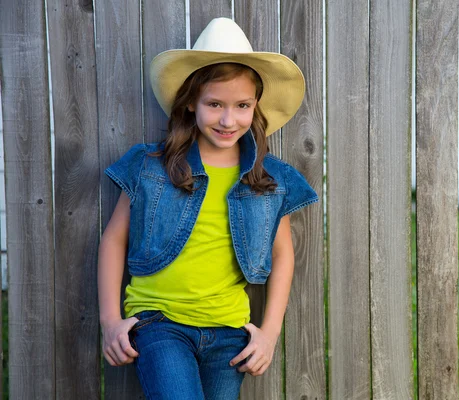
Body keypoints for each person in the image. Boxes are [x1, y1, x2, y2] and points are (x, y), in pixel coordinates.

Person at [98, 17, 318, 400]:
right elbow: (115, 239)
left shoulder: (268, 178)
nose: (228, 119)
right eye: (214, 104)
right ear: (190, 103)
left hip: (230, 334)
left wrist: (269, 334)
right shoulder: (151, 166)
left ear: (255, 107)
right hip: (159, 323)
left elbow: (284, 254)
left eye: (242, 105)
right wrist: (110, 322)